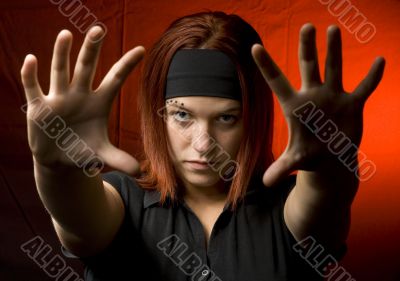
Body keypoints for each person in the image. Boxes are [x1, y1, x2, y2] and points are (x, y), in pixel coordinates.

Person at [20, 11, 385, 281]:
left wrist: (335, 161)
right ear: (157, 114)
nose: (202, 143)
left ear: (253, 119)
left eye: (226, 118)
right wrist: (56, 168)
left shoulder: (288, 210)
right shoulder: (120, 203)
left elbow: (328, 197)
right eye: (182, 115)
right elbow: (77, 218)